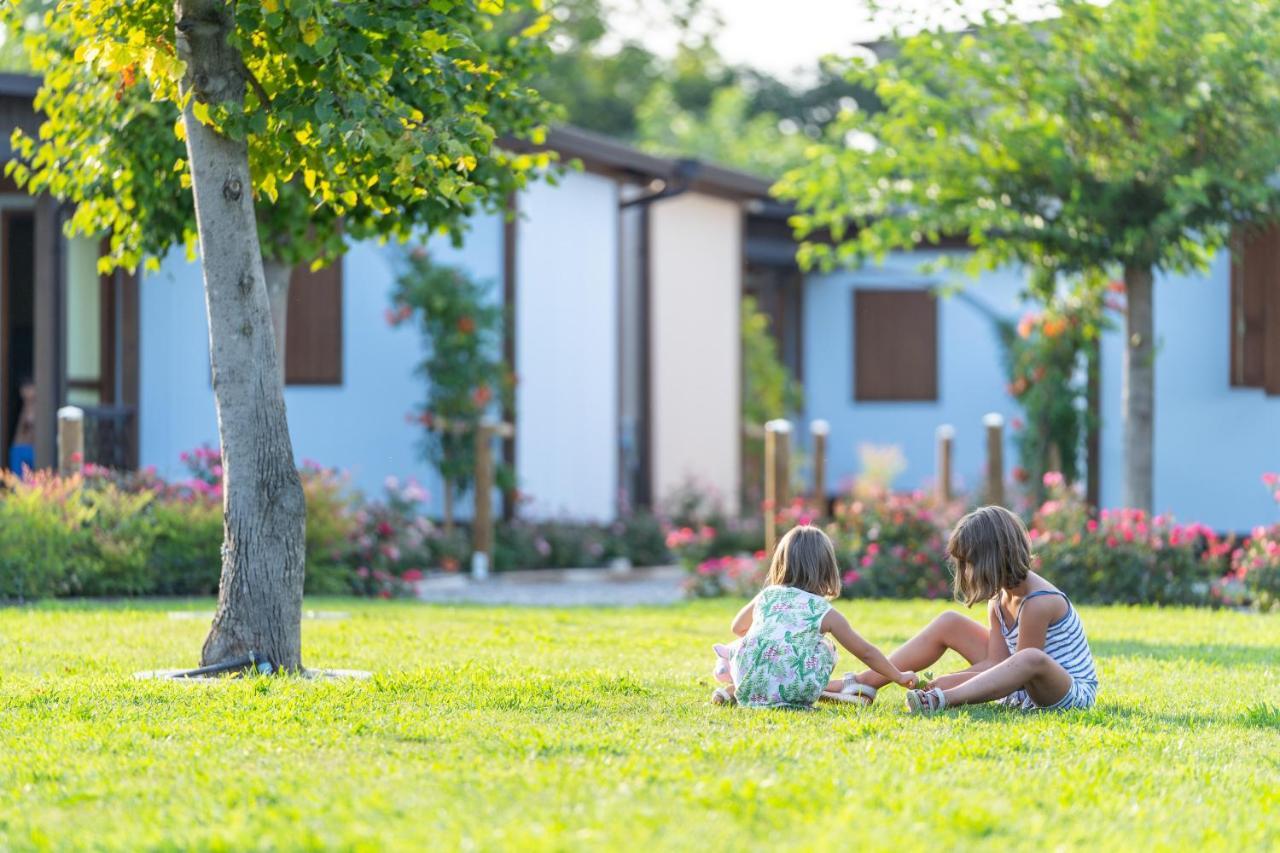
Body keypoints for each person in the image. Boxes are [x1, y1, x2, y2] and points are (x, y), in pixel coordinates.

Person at [842, 505, 1098, 713]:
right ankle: (864, 685)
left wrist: (950, 685)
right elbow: (996, 663)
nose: (965, 572)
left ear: (995, 558)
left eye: (969, 563)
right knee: (949, 622)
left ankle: (943, 700)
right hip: (1021, 681)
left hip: (1067, 693)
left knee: (1029, 657)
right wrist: (949, 678)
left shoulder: (1038, 602)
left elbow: (1020, 673)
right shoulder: (998, 601)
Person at [711, 525, 917, 708]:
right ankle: (807, 693)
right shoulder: (823, 611)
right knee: (826, 647)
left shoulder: (768, 595)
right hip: (796, 687)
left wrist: (773, 637)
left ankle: (740, 691)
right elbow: (865, 652)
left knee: (748, 643)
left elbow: (737, 628)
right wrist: (898, 676)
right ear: (827, 568)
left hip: (747, 680)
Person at [7, 376, 35, 475]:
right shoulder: (26, 405)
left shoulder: (33, 404)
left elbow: (29, 421)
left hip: (28, 448)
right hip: (21, 448)